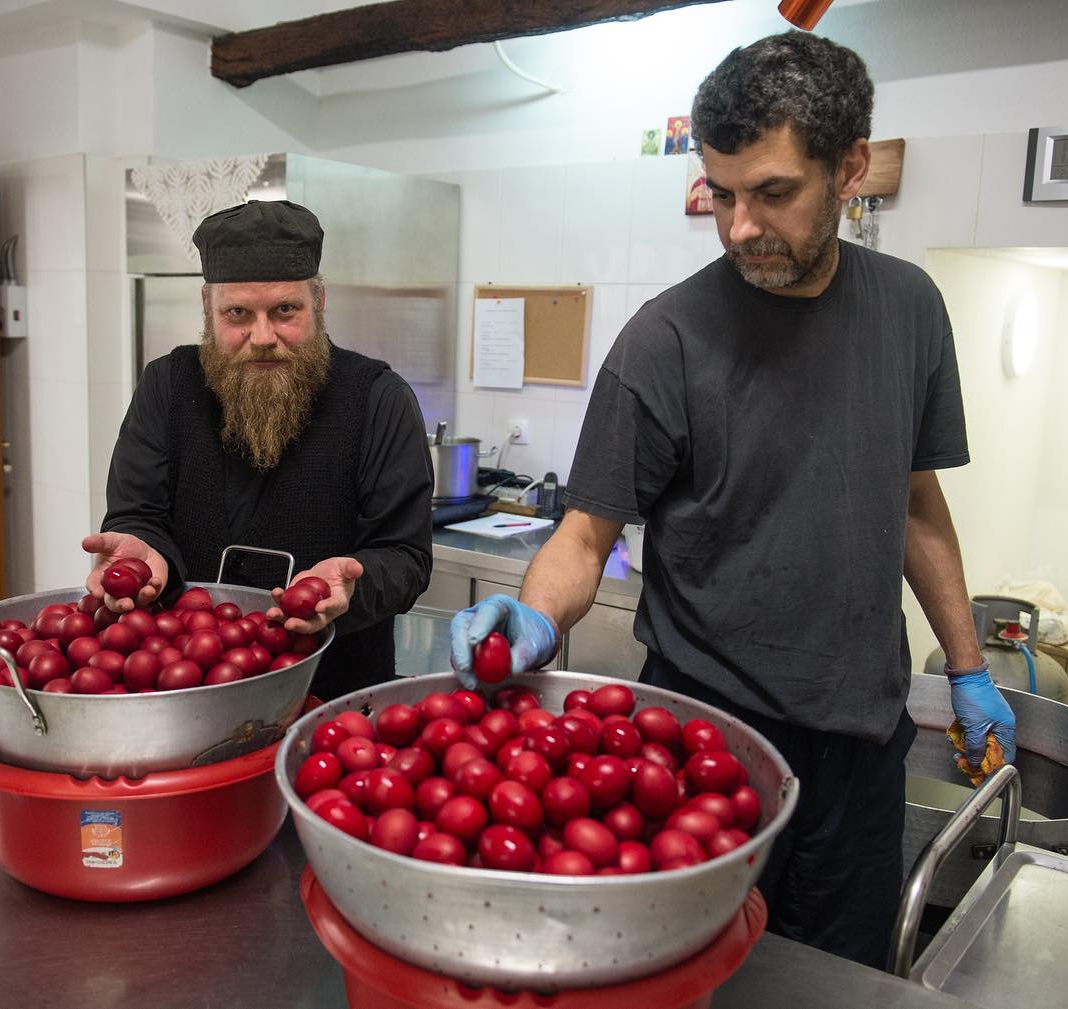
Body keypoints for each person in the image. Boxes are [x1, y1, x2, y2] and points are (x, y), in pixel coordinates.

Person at [449, 32, 1016, 968]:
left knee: (841, 982)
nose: (742, 226)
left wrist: (965, 664)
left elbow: (916, 502)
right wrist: (535, 612)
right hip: (701, 745)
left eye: (774, 193)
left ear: (851, 168)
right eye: (723, 194)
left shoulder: (912, 309)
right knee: (702, 979)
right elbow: (588, 533)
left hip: (864, 743)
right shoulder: (666, 339)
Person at [86, 199, 434, 700]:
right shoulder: (166, 385)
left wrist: (351, 587)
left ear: (319, 301)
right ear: (207, 306)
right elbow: (139, 514)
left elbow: (405, 557)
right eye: (238, 314)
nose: (263, 336)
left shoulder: (378, 397)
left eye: (285, 311)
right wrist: (144, 553)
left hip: (335, 693)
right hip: (188, 688)